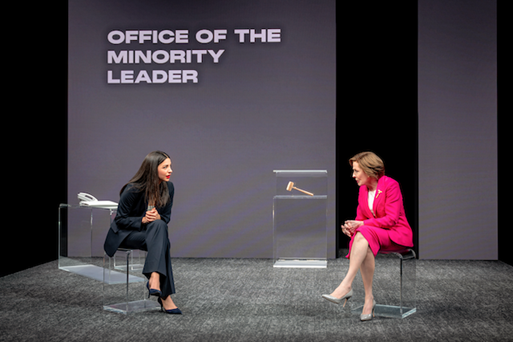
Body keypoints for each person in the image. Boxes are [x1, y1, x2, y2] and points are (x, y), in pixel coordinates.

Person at [322, 152, 413, 321]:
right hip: (375, 235)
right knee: (364, 238)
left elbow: (391, 219)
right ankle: (368, 299)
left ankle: (346, 284)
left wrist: (361, 225)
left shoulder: (390, 185)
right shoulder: (363, 190)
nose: (353, 175)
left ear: (368, 170)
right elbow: (360, 218)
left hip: (396, 234)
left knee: (364, 232)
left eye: (356, 171)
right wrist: (351, 228)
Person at [104, 150, 181, 314]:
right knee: (162, 240)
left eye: (170, 166)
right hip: (125, 234)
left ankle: (155, 279)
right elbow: (120, 220)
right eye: (165, 167)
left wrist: (158, 216)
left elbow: (166, 218)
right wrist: (142, 220)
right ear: (154, 169)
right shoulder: (133, 189)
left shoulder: (169, 188)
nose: (170, 170)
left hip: (151, 233)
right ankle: (164, 295)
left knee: (160, 226)